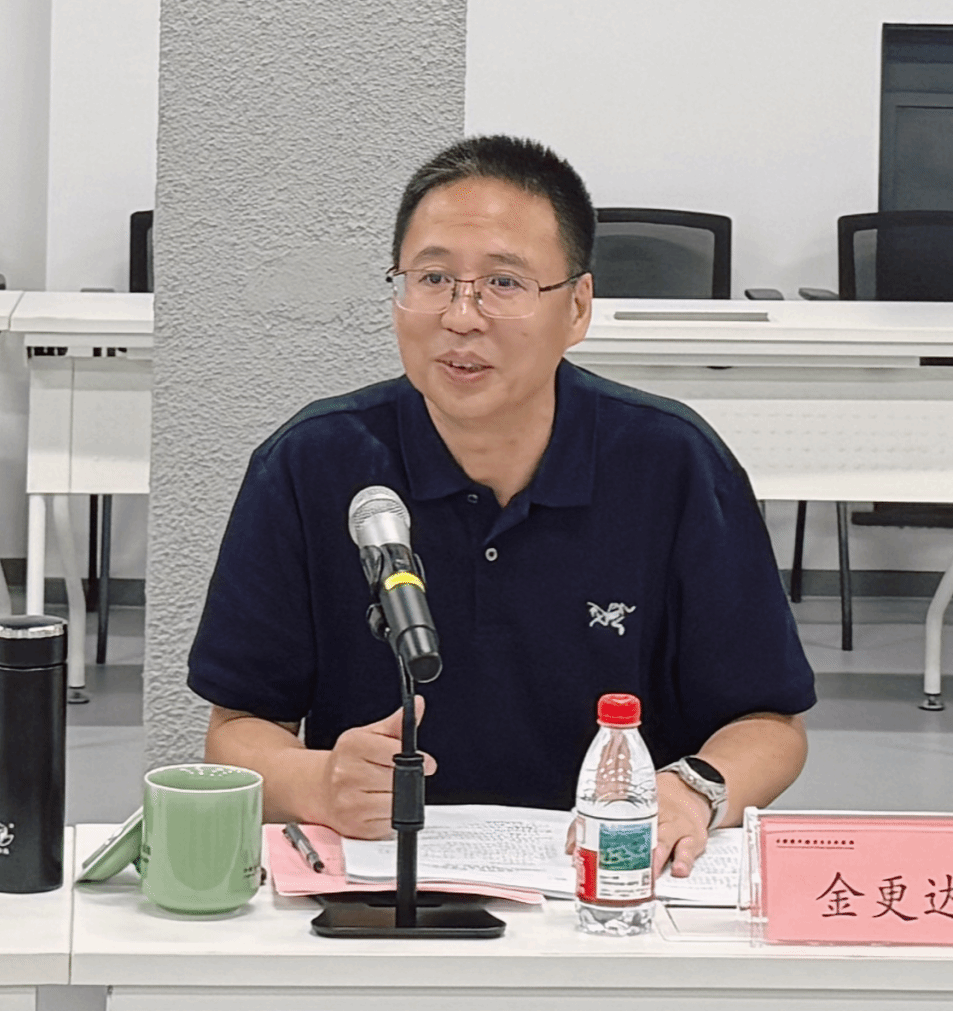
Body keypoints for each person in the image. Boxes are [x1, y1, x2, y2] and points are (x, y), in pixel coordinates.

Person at [188, 135, 815, 877]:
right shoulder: (311, 462)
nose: (462, 316)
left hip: (609, 877)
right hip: (382, 879)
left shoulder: (672, 463)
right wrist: (319, 782)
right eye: (432, 278)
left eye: (504, 283)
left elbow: (770, 724)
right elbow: (237, 728)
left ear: (577, 307)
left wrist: (693, 790)